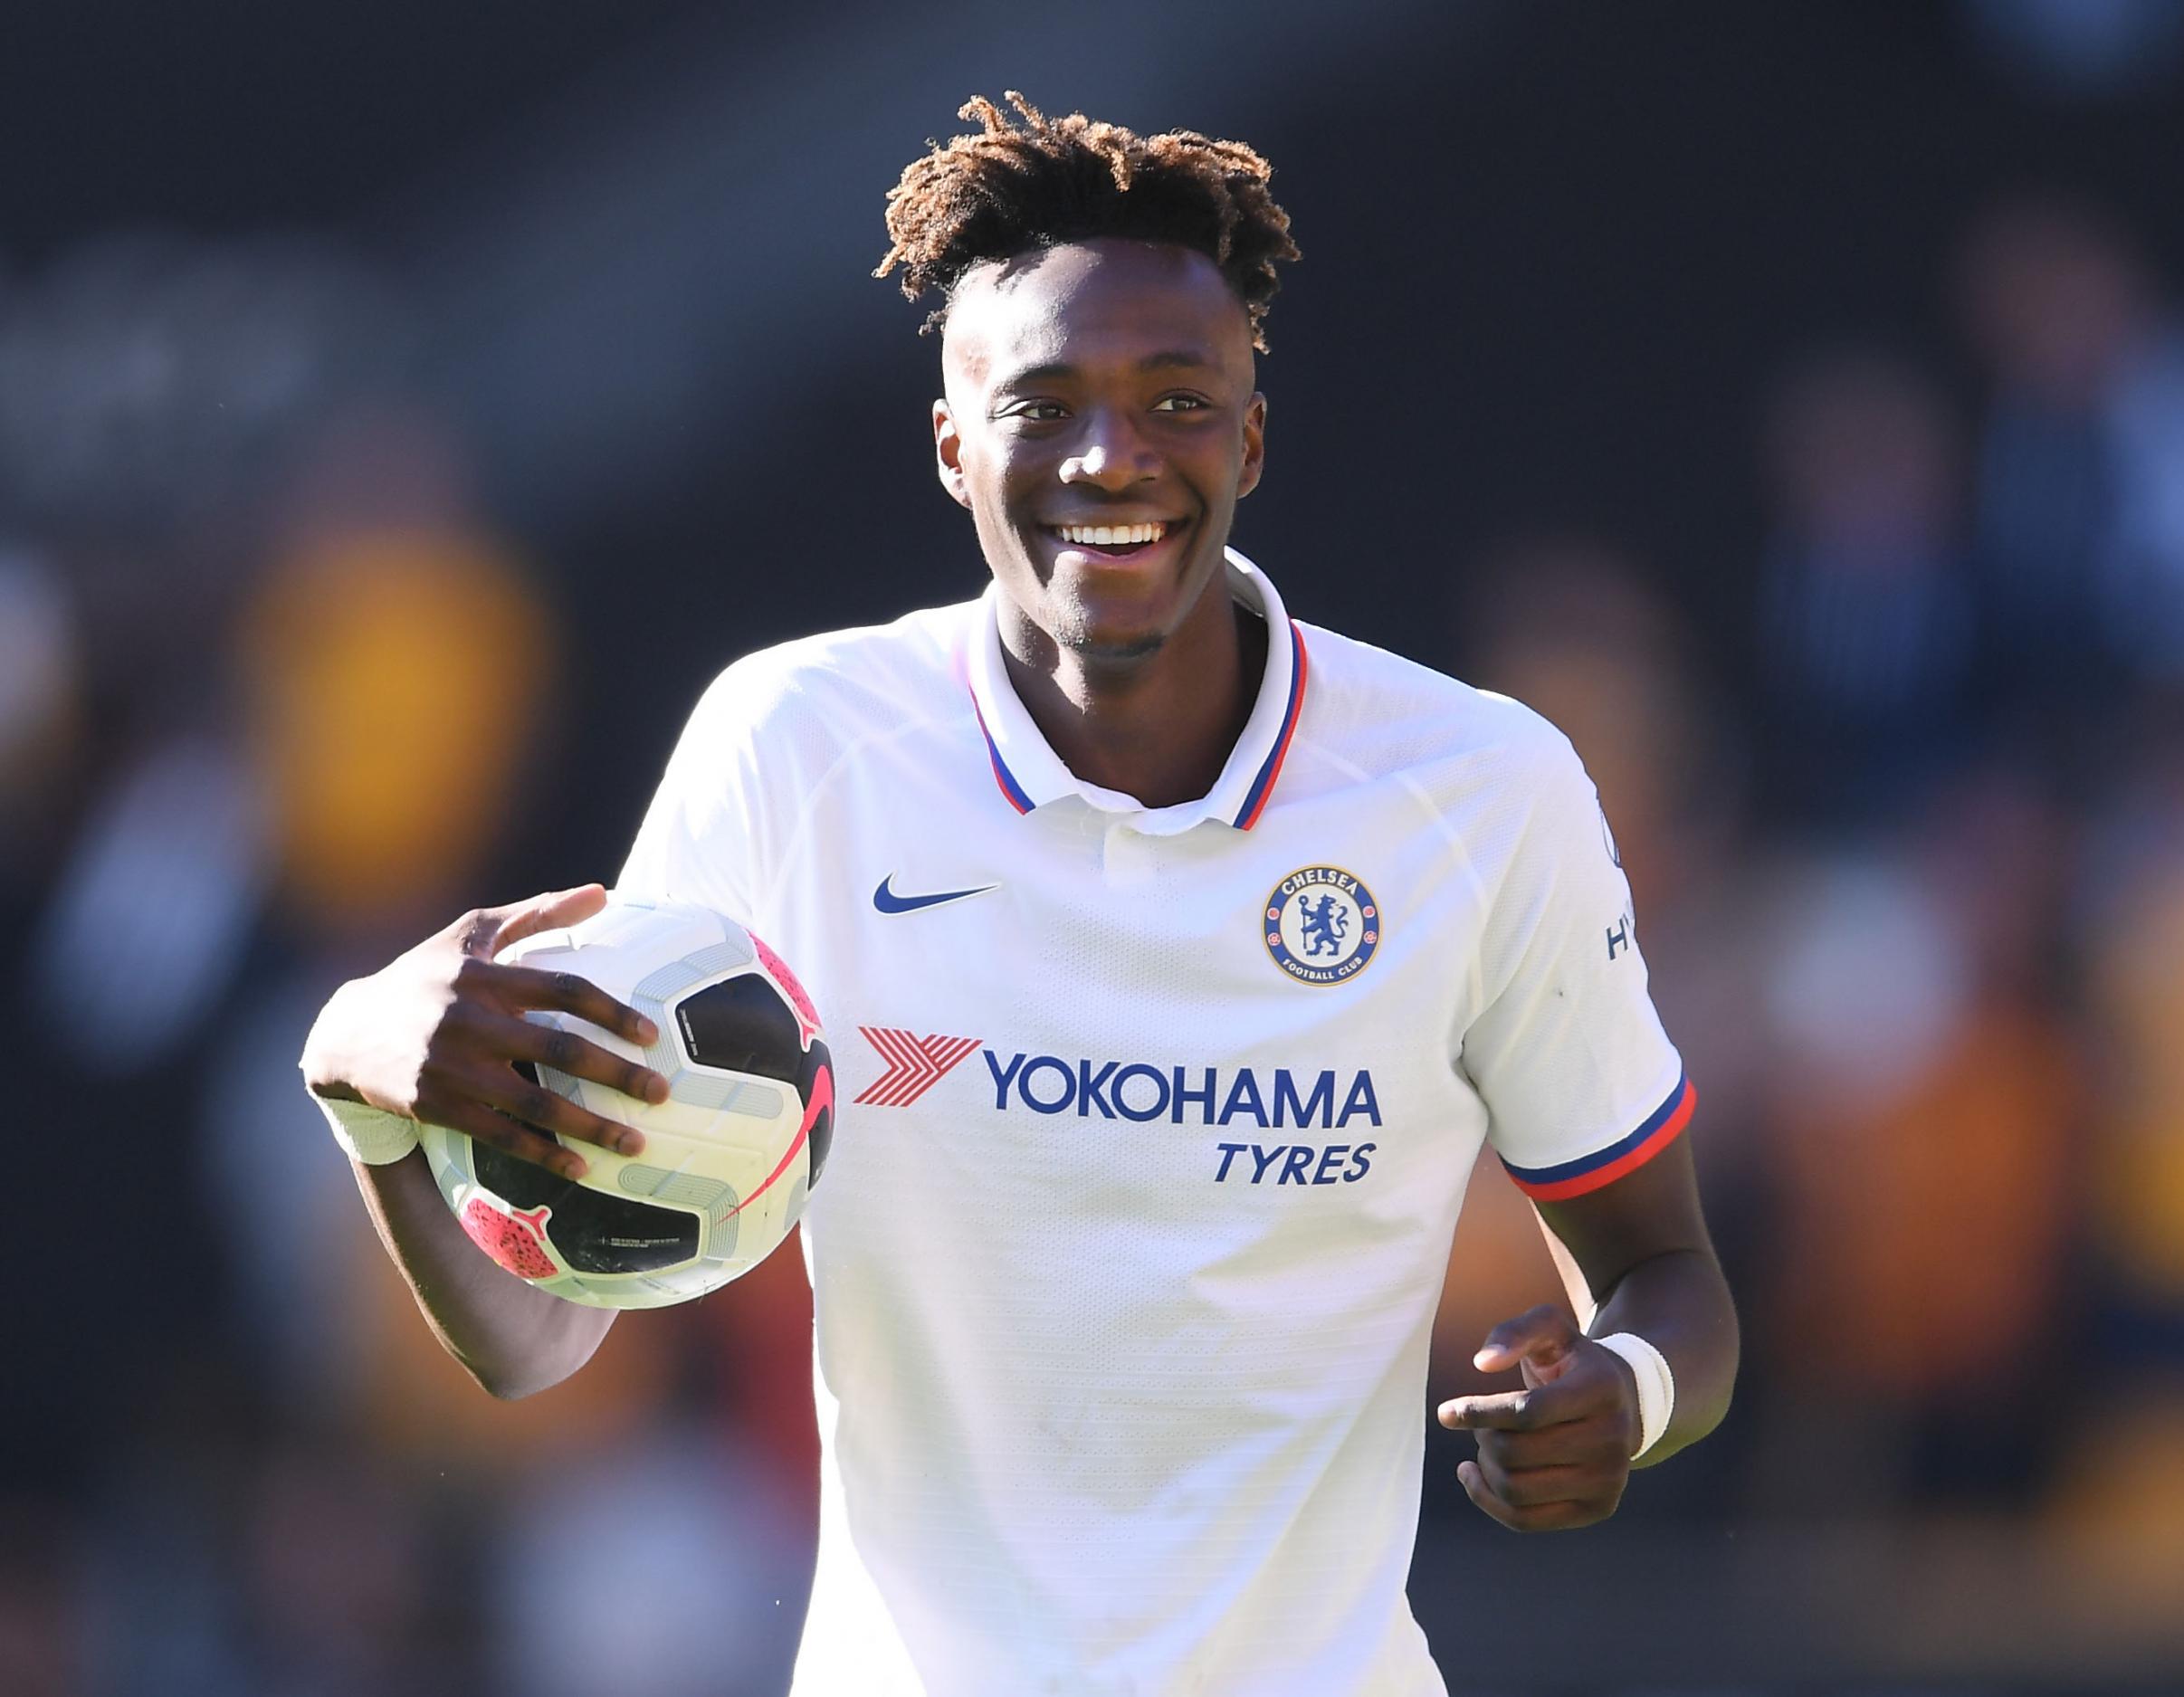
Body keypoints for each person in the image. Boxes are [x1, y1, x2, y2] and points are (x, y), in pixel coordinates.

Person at [299, 93, 1739, 1696]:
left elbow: (1669, 1285)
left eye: (1177, 401)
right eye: (1043, 404)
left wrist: (1627, 1393)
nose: (1111, 458)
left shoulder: (1478, 789)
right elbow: (547, 1342)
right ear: (950, 444)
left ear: (1251, 437)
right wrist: (372, 1098)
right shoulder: (795, 746)